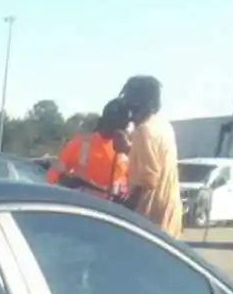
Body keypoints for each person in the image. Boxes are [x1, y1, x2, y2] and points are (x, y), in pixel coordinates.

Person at [121, 75, 182, 236]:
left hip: (150, 218)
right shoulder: (163, 126)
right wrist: (128, 149)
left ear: (140, 103)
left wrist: (121, 211)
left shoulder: (144, 131)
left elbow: (148, 179)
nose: (129, 113)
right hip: (169, 214)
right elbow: (154, 161)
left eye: (130, 105)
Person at [47, 100, 132, 201]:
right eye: (121, 125)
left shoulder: (129, 153)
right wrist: (64, 181)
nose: (124, 129)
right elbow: (52, 176)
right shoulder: (80, 143)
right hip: (82, 207)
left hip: (110, 212)